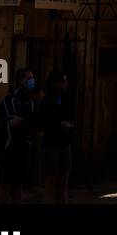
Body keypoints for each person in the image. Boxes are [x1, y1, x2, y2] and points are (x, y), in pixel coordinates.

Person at [0, 67, 37, 203]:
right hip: (10, 149)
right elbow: (13, 121)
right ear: (20, 80)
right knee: (6, 187)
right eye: (28, 78)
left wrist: (24, 120)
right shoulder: (10, 100)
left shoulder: (30, 101)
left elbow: (34, 120)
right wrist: (25, 120)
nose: (32, 81)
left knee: (18, 187)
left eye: (32, 78)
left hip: (23, 148)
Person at [36, 70, 74, 204]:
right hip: (51, 146)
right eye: (63, 81)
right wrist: (58, 125)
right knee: (50, 186)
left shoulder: (66, 99)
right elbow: (41, 122)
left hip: (64, 145)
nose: (66, 84)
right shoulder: (46, 100)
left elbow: (71, 116)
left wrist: (69, 125)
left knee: (63, 185)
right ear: (56, 83)